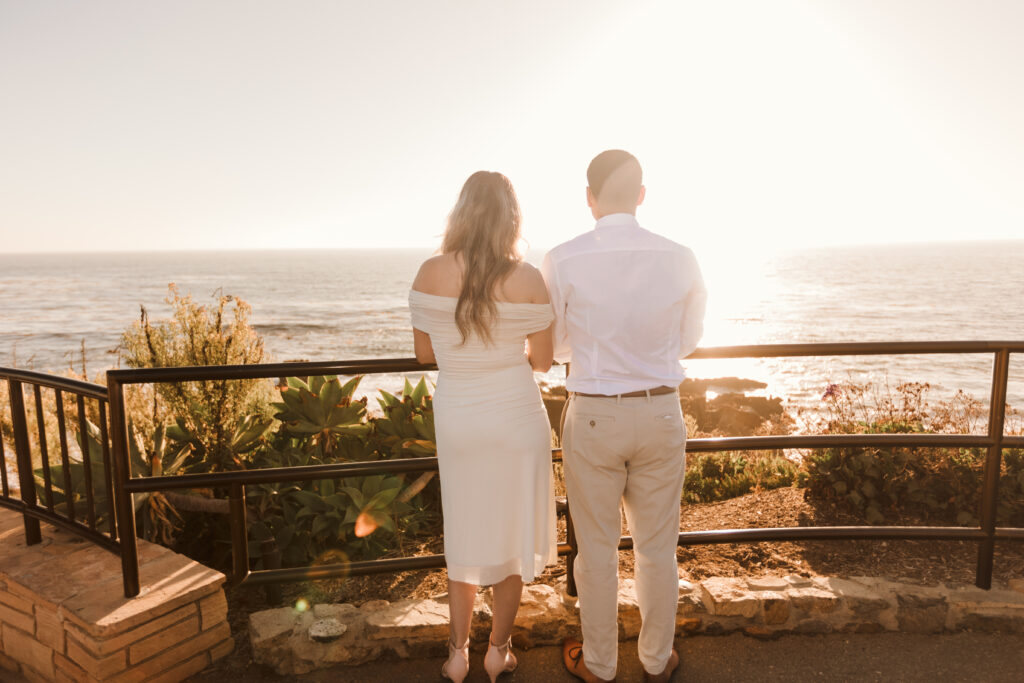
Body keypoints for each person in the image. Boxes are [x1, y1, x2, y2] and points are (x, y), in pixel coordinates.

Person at [541, 150, 707, 683]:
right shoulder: (681, 256)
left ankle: (600, 664)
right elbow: (689, 340)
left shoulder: (563, 258)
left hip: (593, 415)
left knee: (596, 551)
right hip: (660, 411)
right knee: (658, 550)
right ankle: (657, 661)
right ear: (641, 194)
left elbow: (558, 346)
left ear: (589, 198)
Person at [408, 171, 558, 683]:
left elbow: (426, 353)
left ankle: (456, 655)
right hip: (516, 417)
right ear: (510, 218)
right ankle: (498, 651)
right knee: (510, 537)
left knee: (466, 531)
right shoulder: (529, 278)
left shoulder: (429, 272)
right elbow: (542, 361)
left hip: (460, 418)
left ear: (461, 212)